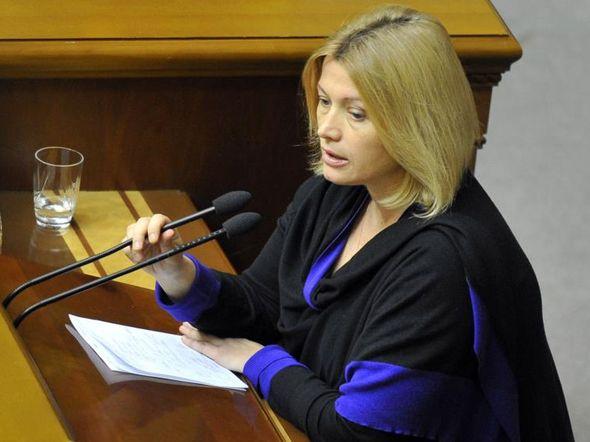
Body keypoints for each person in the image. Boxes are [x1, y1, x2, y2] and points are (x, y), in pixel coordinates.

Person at [124, 5, 573, 441]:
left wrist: (258, 361)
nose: (326, 128)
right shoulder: (333, 193)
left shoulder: (442, 264)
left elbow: (358, 429)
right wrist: (179, 275)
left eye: (355, 113)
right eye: (324, 101)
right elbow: (265, 305)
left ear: (417, 123)